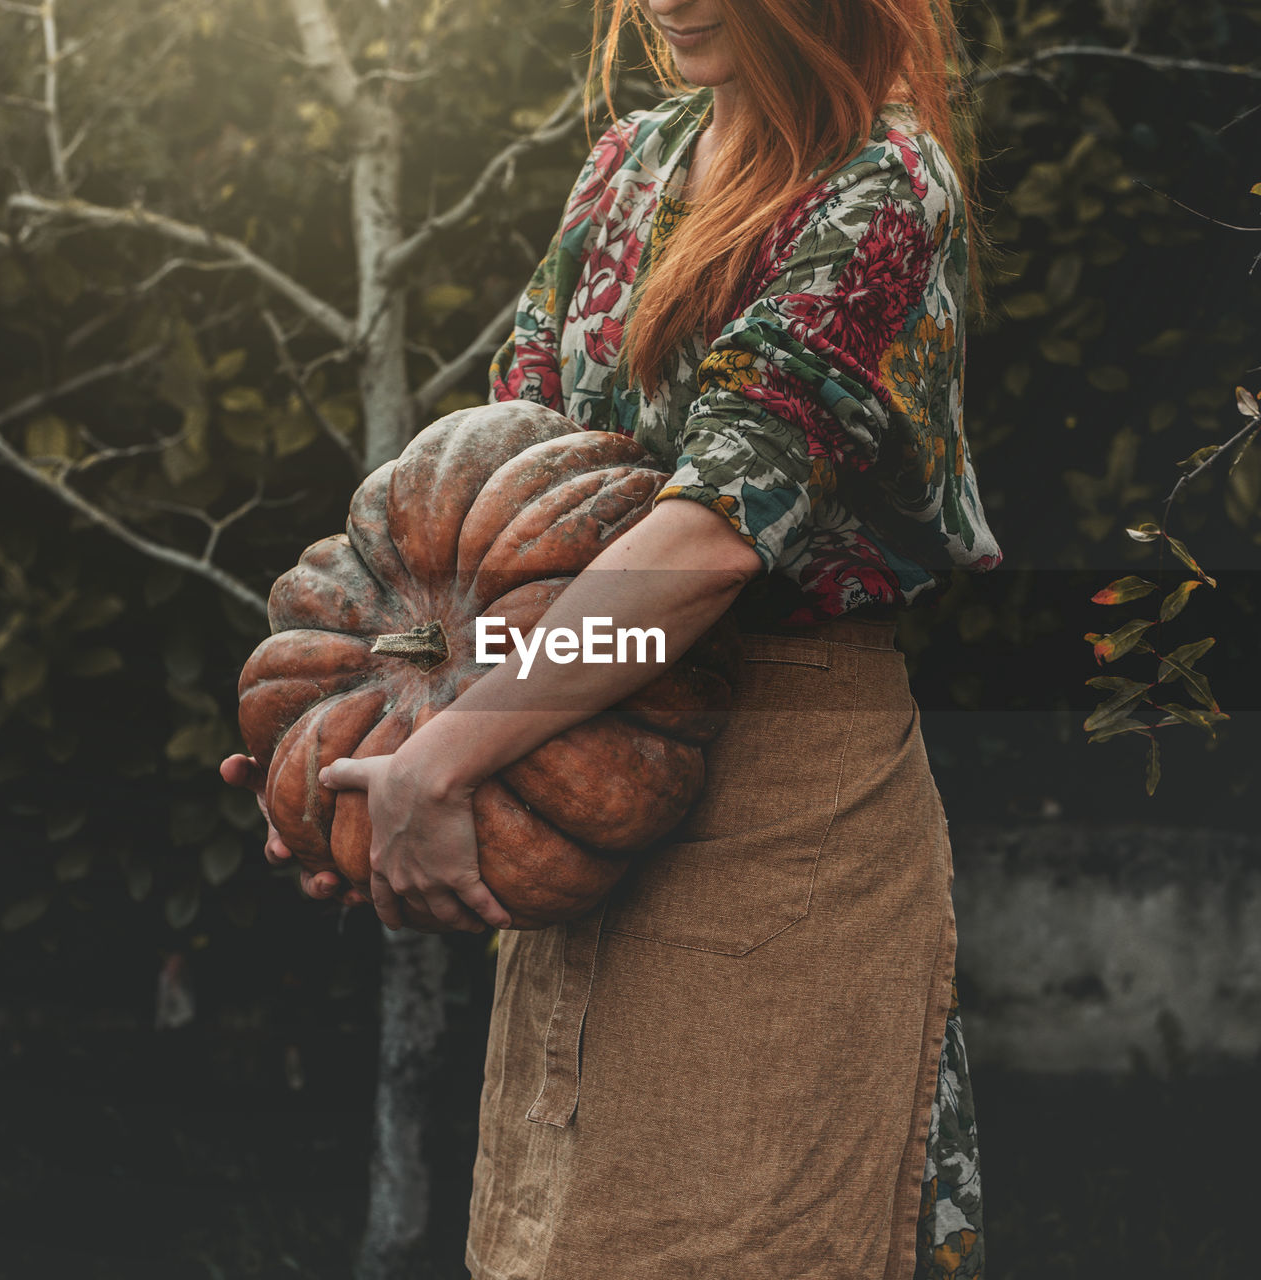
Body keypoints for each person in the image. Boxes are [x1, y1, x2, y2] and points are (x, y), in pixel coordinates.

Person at [225, 1, 1001, 1276]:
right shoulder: (627, 166)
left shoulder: (880, 185)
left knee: (749, 1236)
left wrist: (446, 758)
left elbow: (709, 538)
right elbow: (501, 486)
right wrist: (354, 777)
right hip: (569, 749)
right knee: (565, 1239)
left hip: (779, 794)